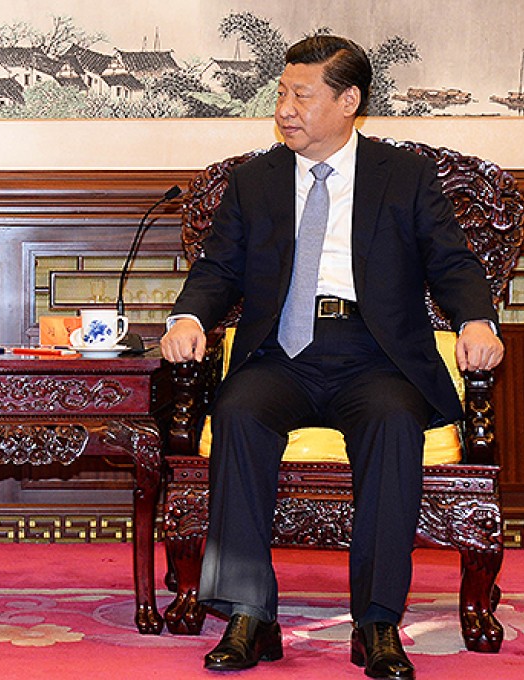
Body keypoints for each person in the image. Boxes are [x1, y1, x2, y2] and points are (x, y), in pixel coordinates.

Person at [161, 35, 503, 680]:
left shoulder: (402, 176)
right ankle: (249, 613)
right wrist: (188, 316)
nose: (285, 108)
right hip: (279, 355)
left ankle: (376, 622)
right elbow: (217, 268)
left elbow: (451, 261)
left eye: (302, 95)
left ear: (349, 101)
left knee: (392, 423)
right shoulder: (254, 179)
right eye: (282, 94)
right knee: (237, 413)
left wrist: (478, 319)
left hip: (374, 355)